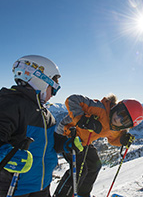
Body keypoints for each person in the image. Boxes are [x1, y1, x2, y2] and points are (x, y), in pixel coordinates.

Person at [0, 55, 83, 197]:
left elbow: (47, 144)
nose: (54, 93)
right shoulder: (9, 103)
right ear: (40, 81)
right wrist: (4, 155)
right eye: (54, 87)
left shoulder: (46, 114)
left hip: (42, 186)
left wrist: (65, 144)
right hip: (13, 188)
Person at [54, 93, 143, 197]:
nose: (119, 119)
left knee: (94, 165)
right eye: (121, 113)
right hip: (67, 136)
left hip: (83, 142)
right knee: (79, 169)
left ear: (127, 126)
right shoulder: (100, 109)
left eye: (125, 121)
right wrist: (82, 119)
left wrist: (122, 140)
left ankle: (82, 194)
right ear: (118, 106)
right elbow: (72, 100)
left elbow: (113, 140)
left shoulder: (115, 127)